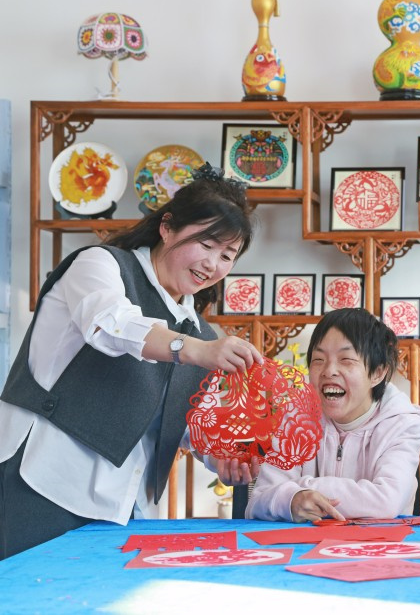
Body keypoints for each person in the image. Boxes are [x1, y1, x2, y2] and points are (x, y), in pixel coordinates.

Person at [0, 166, 264, 559]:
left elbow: (190, 420)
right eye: (206, 245)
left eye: (227, 255)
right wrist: (194, 349)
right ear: (167, 228)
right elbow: (110, 324)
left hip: (124, 507)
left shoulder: (201, 333)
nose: (213, 264)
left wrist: (224, 455)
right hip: (43, 479)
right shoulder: (100, 265)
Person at [246, 308, 420, 522]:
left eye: (346, 360)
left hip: (381, 542)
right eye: (318, 359)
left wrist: (299, 488)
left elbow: (387, 501)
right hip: (303, 541)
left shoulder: (404, 424)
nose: (329, 371)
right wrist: (292, 499)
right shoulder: (294, 418)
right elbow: (257, 503)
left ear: (378, 373)